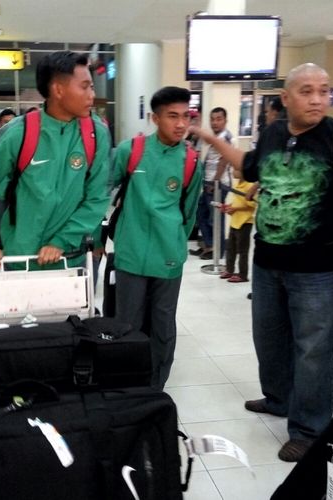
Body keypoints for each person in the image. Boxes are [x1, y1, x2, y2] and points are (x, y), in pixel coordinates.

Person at [192, 63, 333, 462]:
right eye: (307, 91)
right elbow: (249, 166)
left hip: (318, 268)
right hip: (268, 261)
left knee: (313, 349)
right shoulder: (275, 132)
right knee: (269, 338)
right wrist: (209, 137)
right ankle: (278, 399)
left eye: (324, 91)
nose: (317, 99)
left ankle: (310, 429)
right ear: (286, 98)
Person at [0, 51, 111, 269]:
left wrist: (61, 241)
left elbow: (97, 198)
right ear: (58, 90)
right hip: (21, 260)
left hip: (71, 260)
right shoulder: (18, 133)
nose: (91, 95)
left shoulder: (96, 134)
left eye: (92, 87)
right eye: (85, 86)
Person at [112, 86, 203, 390]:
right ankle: (127, 383)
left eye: (185, 117)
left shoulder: (190, 161)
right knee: (128, 324)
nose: (180, 124)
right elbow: (101, 190)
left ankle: (155, 386)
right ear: (155, 118)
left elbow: (189, 213)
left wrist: (176, 244)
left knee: (163, 326)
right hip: (131, 254)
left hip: (168, 257)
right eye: (172, 116)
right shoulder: (131, 151)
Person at [191, 107, 233, 260]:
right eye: (212, 119)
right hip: (209, 183)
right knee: (201, 213)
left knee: (215, 218)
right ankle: (209, 246)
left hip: (218, 185)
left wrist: (214, 182)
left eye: (219, 119)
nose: (215, 122)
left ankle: (217, 251)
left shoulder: (225, 137)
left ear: (225, 120)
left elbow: (225, 160)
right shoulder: (215, 137)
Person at [218, 167, 256, 283]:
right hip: (234, 221)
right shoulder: (236, 184)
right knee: (231, 248)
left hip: (245, 222)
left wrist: (235, 208)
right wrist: (228, 206)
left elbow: (252, 205)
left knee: (242, 250)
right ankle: (229, 269)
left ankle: (242, 274)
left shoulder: (250, 186)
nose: (232, 171)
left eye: (236, 169)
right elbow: (236, 201)